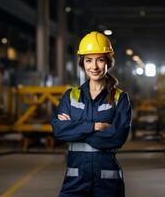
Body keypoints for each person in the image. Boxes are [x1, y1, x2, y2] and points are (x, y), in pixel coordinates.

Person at [51, 31, 132, 197]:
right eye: (88, 60)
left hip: (108, 181)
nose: (94, 67)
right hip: (75, 180)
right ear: (82, 63)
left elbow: (118, 137)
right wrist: (96, 126)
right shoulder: (70, 96)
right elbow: (59, 131)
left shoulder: (120, 98)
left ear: (109, 61)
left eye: (100, 60)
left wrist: (75, 129)